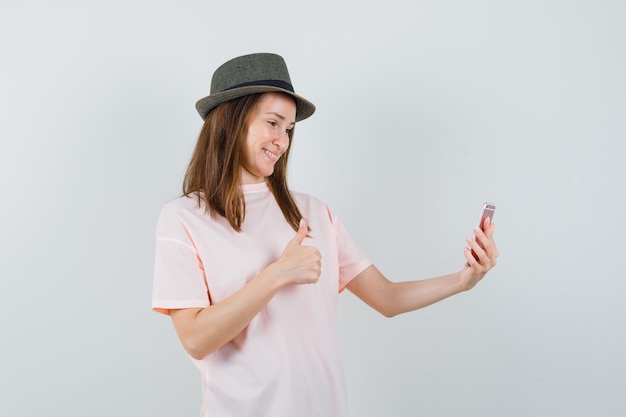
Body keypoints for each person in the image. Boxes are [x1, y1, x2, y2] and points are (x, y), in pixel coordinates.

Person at [152, 52, 498, 417]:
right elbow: (195, 339)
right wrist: (277, 274)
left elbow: (388, 298)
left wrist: (463, 280)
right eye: (273, 122)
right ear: (229, 121)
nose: (282, 141)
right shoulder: (184, 218)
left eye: (288, 129)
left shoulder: (315, 213)